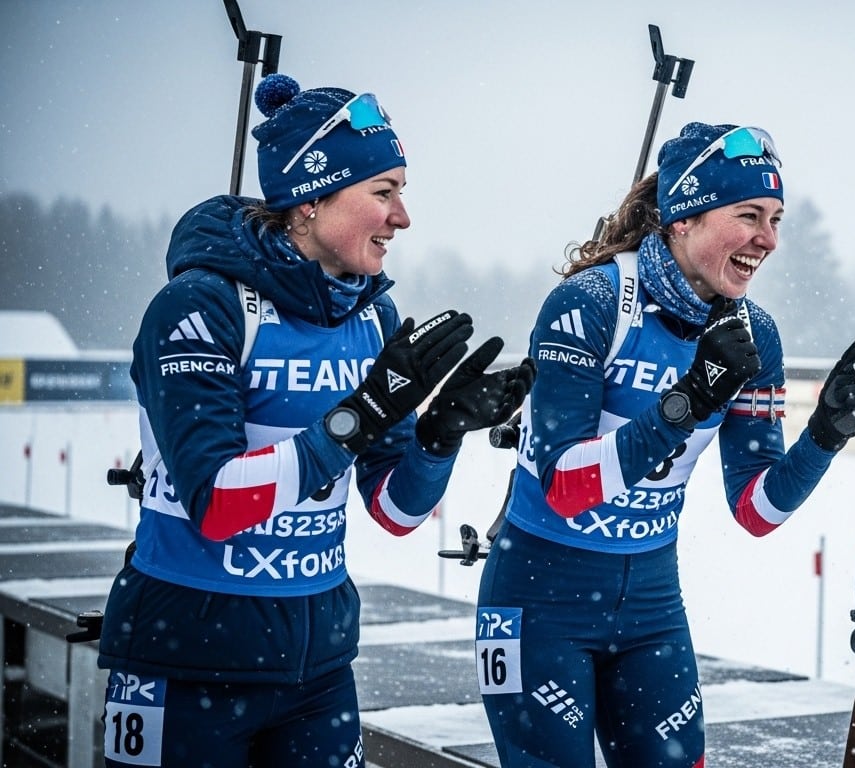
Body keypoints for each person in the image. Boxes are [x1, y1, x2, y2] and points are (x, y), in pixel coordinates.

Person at [96, 73, 534, 768]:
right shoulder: (199, 306)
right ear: (309, 200)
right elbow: (216, 503)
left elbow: (394, 510)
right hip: (186, 659)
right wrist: (358, 417)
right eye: (383, 193)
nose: (403, 218)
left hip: (317, 667)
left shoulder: (370, 314)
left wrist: (436, 435)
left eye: (401, 192)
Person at [475, 122, 855, 767]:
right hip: (539, 594)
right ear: (683, 219)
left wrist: (824, 436)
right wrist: (687, 403)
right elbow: (565, 489)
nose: (768, 239)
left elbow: (756, 508)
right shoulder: (591, 302)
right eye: (748, 215)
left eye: (776, 219)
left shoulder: (755, 334)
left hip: (650, 605)